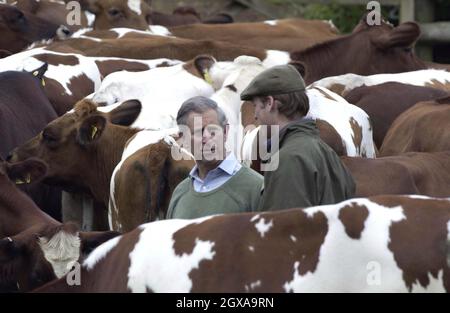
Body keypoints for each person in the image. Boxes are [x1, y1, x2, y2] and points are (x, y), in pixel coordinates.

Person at [240, 64, 355, 211]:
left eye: (255, 105)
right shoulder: (325, 151)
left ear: (269, 103)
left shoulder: (288, 158)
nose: (255, 115)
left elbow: (285, 226)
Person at [166, 96, 263, 219]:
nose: (207, 137)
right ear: (183, 139)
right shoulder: (179, 193)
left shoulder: (256, 188)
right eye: (198, 132)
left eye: (213, 129)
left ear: (225, 132)